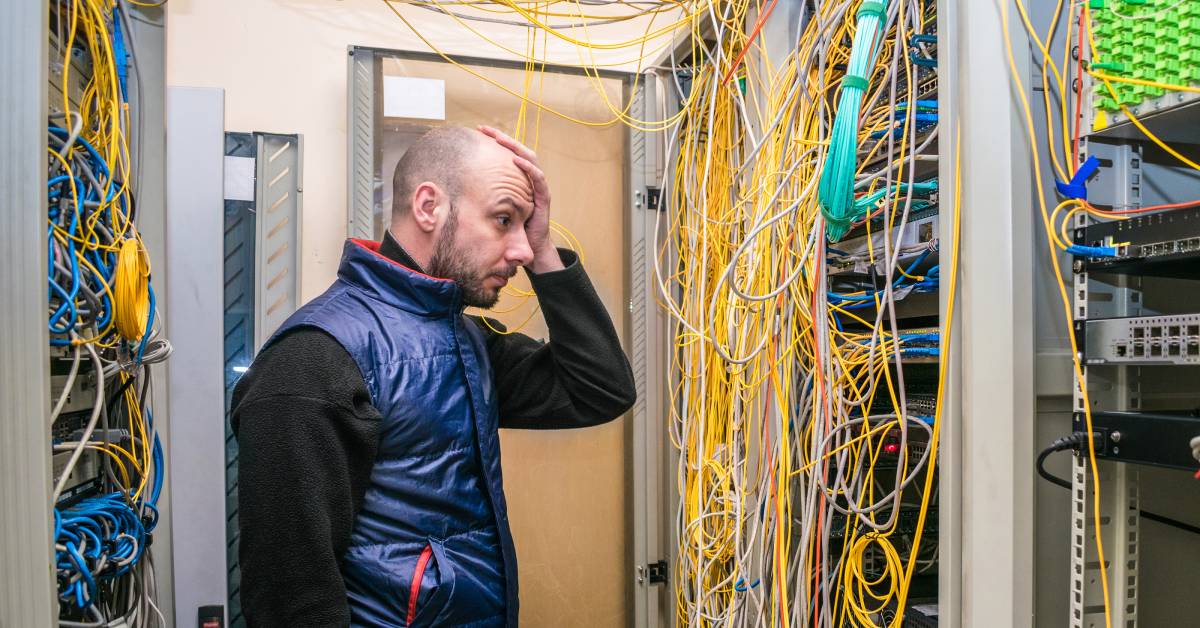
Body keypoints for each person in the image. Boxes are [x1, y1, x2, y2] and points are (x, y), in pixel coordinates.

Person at [231, 126, 636, 627]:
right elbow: (291, 602)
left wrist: (545, 244)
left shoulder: (462, 339)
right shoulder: (314, 361)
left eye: (524, 227)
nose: (522, 251)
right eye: (504, 220)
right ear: (428, 207)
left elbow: (599, 390)